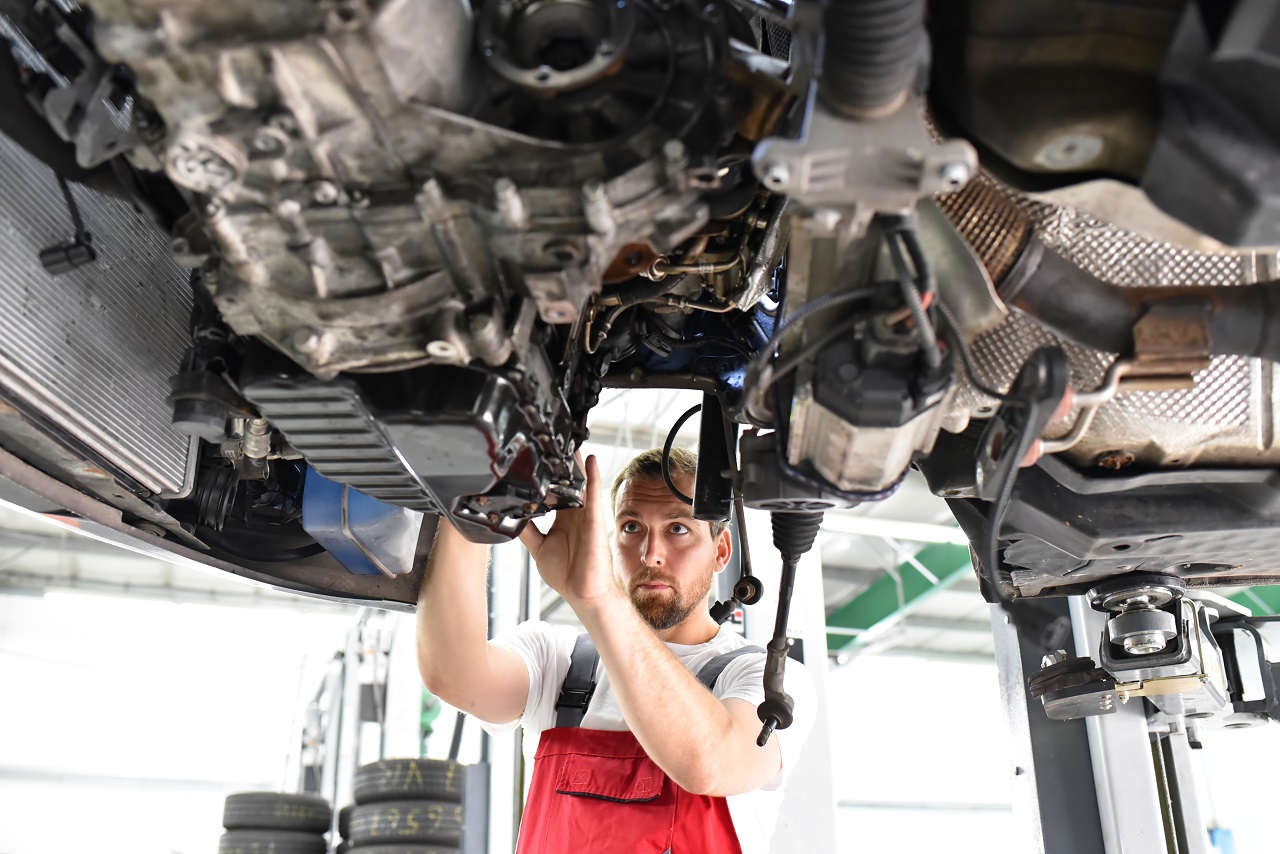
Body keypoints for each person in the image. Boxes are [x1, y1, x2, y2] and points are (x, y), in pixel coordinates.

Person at [416, 447, 815, 854]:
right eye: (631, 527)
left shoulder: (764, 678)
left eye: (678, 528)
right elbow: (453, 674)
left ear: (722, 551)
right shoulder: (559, 660)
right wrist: (473, 506)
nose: (650, 554)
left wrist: (601, 599)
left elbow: (710, 762)